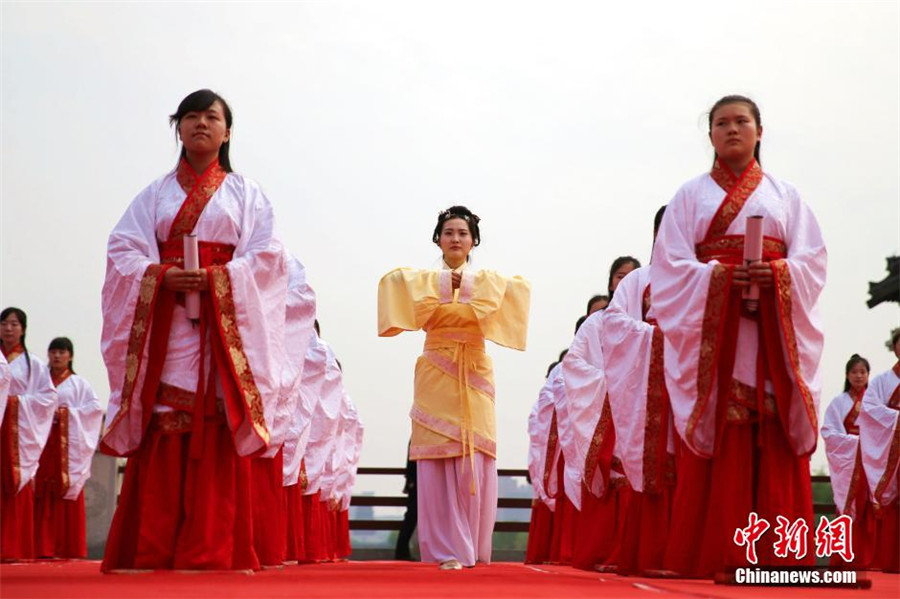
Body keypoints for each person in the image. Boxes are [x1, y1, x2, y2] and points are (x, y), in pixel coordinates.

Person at [99, 89, 288, 572]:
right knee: (166, 417)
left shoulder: (247, 193)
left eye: (211, 117)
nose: (201, 123)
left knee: (217, 418)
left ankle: (212, 548)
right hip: (168, 323)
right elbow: (122, 250)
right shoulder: (154, 195)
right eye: (191, 116)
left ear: (227, 132)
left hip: (223, 327)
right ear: (178, 128)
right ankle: (154, 547)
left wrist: (218, 279)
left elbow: (267, 257)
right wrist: (161, 276)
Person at [651, 95, 826, 577]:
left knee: (772, 430)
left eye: (741, 121)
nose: (732, 129)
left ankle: (778, 555)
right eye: (721, 123)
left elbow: (812, 262)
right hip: (718, 338)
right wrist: (722, 279)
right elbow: (669, 268)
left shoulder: (786, 195)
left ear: (759, 131)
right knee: (724, 433)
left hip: (771, 334)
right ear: (710, 134)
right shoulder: (690, 195)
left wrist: (780, 274)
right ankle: (717, 554)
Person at [378, 206, 530, 569]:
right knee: (436, 455)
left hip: (474, 370)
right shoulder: (424, 282)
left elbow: (521, 291)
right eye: (448, 233)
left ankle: (472, 546)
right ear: (438, 239)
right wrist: (447, 285)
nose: (456, 239)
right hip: (436, 371)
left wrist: (467, 286)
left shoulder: (489, 283)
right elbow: (390, 282)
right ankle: (444, 549)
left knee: (473, 456)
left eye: (463, 233)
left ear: (473, 240)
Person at [599, 206, 675, 576]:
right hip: (651, 382)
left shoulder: (701, 276)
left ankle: (686, 552)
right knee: (655, 463)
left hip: (692, 378)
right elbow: (615, 323)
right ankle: (650, 551)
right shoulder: (639, 280)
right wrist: (658, 337)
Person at [560, 258, 639, 571]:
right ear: (610, 283)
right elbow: (573, 363)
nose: (625, 282)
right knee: (609, 475)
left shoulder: (645, 321)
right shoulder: (596, 323)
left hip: (638, 409)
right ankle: (604, 551)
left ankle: (632, 551)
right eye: (620, 276)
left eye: (632, 276)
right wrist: (609, 382)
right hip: (604, 410)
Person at [33, 337, 103, 558]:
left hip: (68, 446)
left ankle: (67, 546)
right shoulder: (40, 382)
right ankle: (42, 546)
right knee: (42, 488)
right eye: (53, 352)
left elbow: (94, 410)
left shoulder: (79, 384)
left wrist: (64, 414)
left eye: (62, 352)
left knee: (66, 489)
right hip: (43, 443)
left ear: (70, 356)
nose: (57, 356)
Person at [0, 307, 58, 560]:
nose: (8, 329)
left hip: (17, 431)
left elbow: (48, 397)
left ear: (23, 329)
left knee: (15, 482)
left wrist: (14, 403)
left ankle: (13, 547)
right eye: (4, 323)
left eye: (14, 324)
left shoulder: (33, 365)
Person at [822, 354, 877, 569]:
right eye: (854, 372)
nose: (859, 376)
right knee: (848, 507)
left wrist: (871, 445)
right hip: (849, 463)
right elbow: (829, 432)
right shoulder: (839, 402)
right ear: (847, 375)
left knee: (870, 507)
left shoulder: (875, 402)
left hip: (872, 462)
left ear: (868, 375)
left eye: (862, 372)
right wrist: (855, 443)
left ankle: (870, 559)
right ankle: (844, 559)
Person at [857, 329, 900, 572]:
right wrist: (897, 419)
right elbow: (870, 409)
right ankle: (892, 560)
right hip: (892, 448)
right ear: (894, 348)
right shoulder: (883, 381)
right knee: (893, 501)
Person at [395, 443, 418, 561]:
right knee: (411, 517)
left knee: (411, 517)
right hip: (416, 481)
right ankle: (401, 551)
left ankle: (402, 551)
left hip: (415, 480)